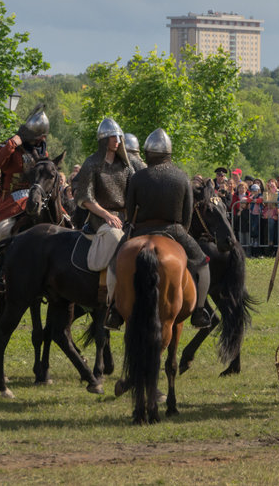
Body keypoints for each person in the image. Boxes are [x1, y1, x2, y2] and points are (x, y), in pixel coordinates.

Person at [107, 128, 214, 330]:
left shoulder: (138, 177)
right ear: (169, 154)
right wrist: (180, 232)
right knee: (203, 265)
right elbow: (187, 214)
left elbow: (129, 211)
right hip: (174, 230)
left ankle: (113, 310)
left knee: (114, 264)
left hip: (139, 231)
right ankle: (199, 310)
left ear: (147, 153)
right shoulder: (182, 177)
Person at [0, 105, 51, 292]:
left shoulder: (42, 152)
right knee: (4, 229)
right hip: (12, 198)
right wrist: (11, 145)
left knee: (64, 219)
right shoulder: (12, 147)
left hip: (36, 194)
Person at [71, 118, 133, 305]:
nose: (117, 140)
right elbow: (85, 198)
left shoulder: (125, 167)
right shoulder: (92, 163)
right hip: (100, 218)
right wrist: (106, 215)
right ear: (104, 139)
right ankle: (104, 288)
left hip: (125, 217)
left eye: (119, 137)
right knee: (116, 239)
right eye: (113, 136)